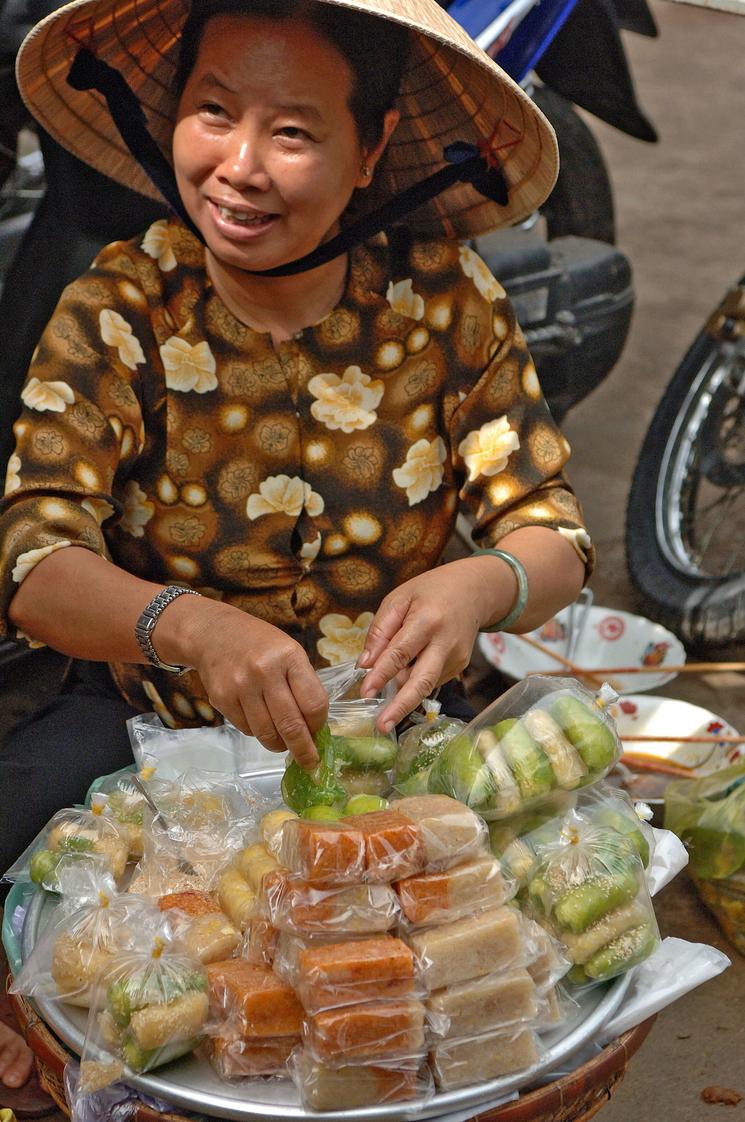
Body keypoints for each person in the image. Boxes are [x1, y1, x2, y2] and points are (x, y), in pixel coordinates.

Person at [0, 0, 593, 879]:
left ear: (370, 145)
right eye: (213, 112)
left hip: (391, 731)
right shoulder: (122, 306)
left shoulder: (445, 300)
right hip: (152, 721)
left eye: (290, 132)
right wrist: (193, 629)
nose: (237, 168)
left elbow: (557, 540)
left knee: (559, 881)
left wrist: (481, 584)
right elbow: (33, 566)